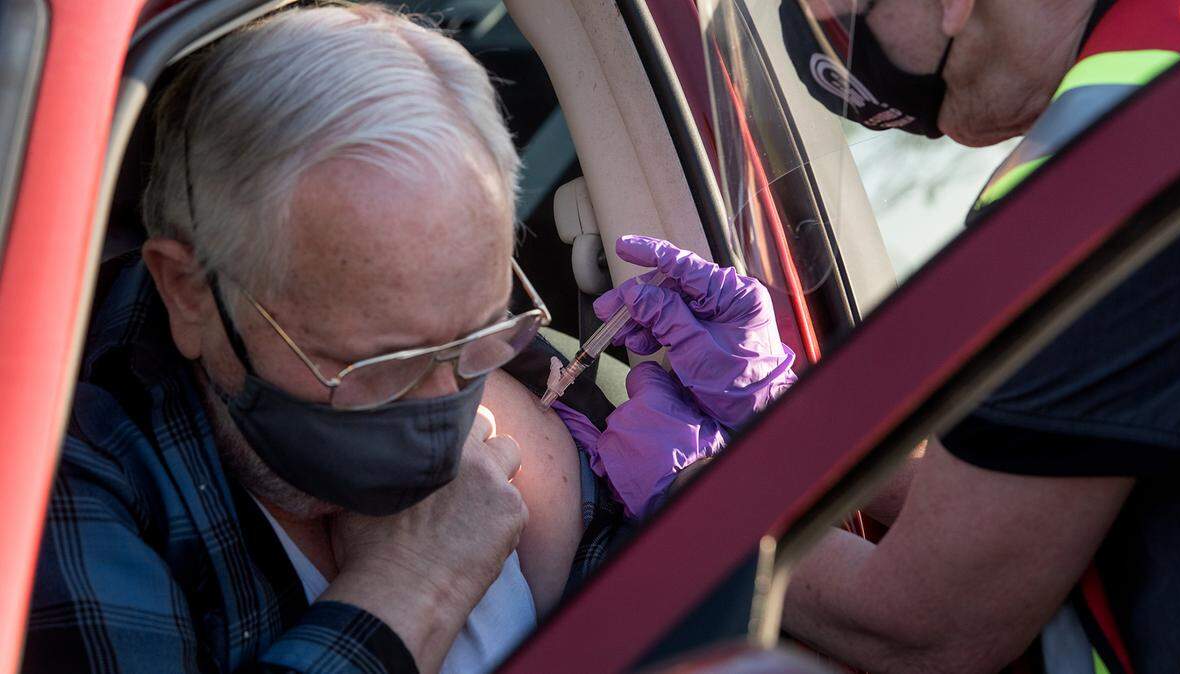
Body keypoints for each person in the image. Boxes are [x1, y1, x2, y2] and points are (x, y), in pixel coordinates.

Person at [24, 6, 801, 673]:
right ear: (189, 294)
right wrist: (414, 585)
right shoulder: (59, 494)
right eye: (380, 364)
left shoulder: (488, 351)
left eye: (472, 337)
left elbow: (677, 613)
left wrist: (731, 476)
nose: (447, 408)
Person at [746, 0, 1180, 672]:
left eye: (842, 10)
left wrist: (683, 507)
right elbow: (1037, 479)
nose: (836, 39)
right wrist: (776, 427)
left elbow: (923, 626)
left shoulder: (1098, 182)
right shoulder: (1165, 72)